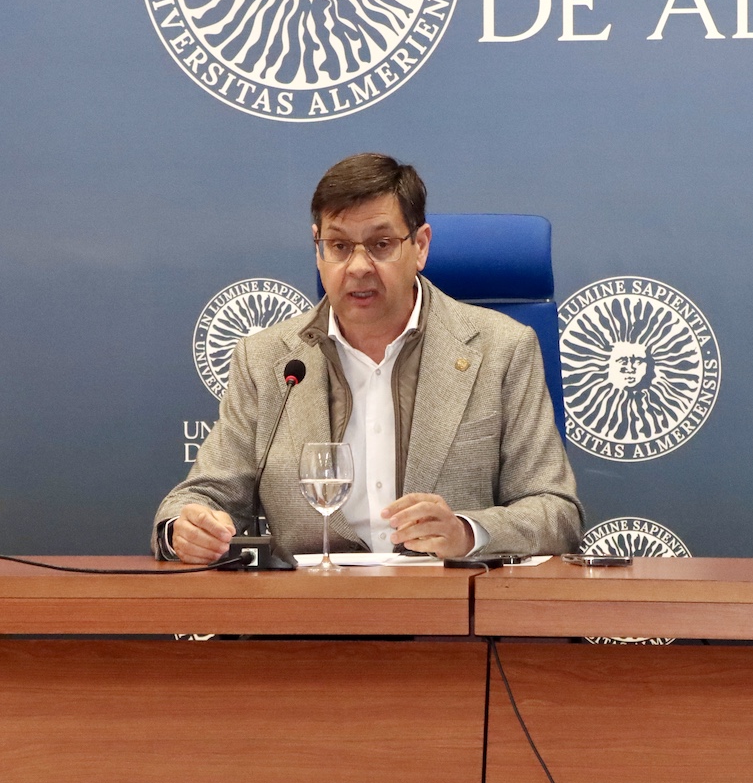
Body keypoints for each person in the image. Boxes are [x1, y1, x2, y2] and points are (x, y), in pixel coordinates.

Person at [155, 153, 581, 562]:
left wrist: (466, 532)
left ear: (420, 246)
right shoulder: (267, 360)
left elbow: (556, 512)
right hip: (309, 607)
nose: (358, 267)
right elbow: (202, 497)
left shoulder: (501, 349)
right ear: (318, 249)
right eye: (339, 245)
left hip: (447, 604)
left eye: (380, 244)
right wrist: (186, 530)